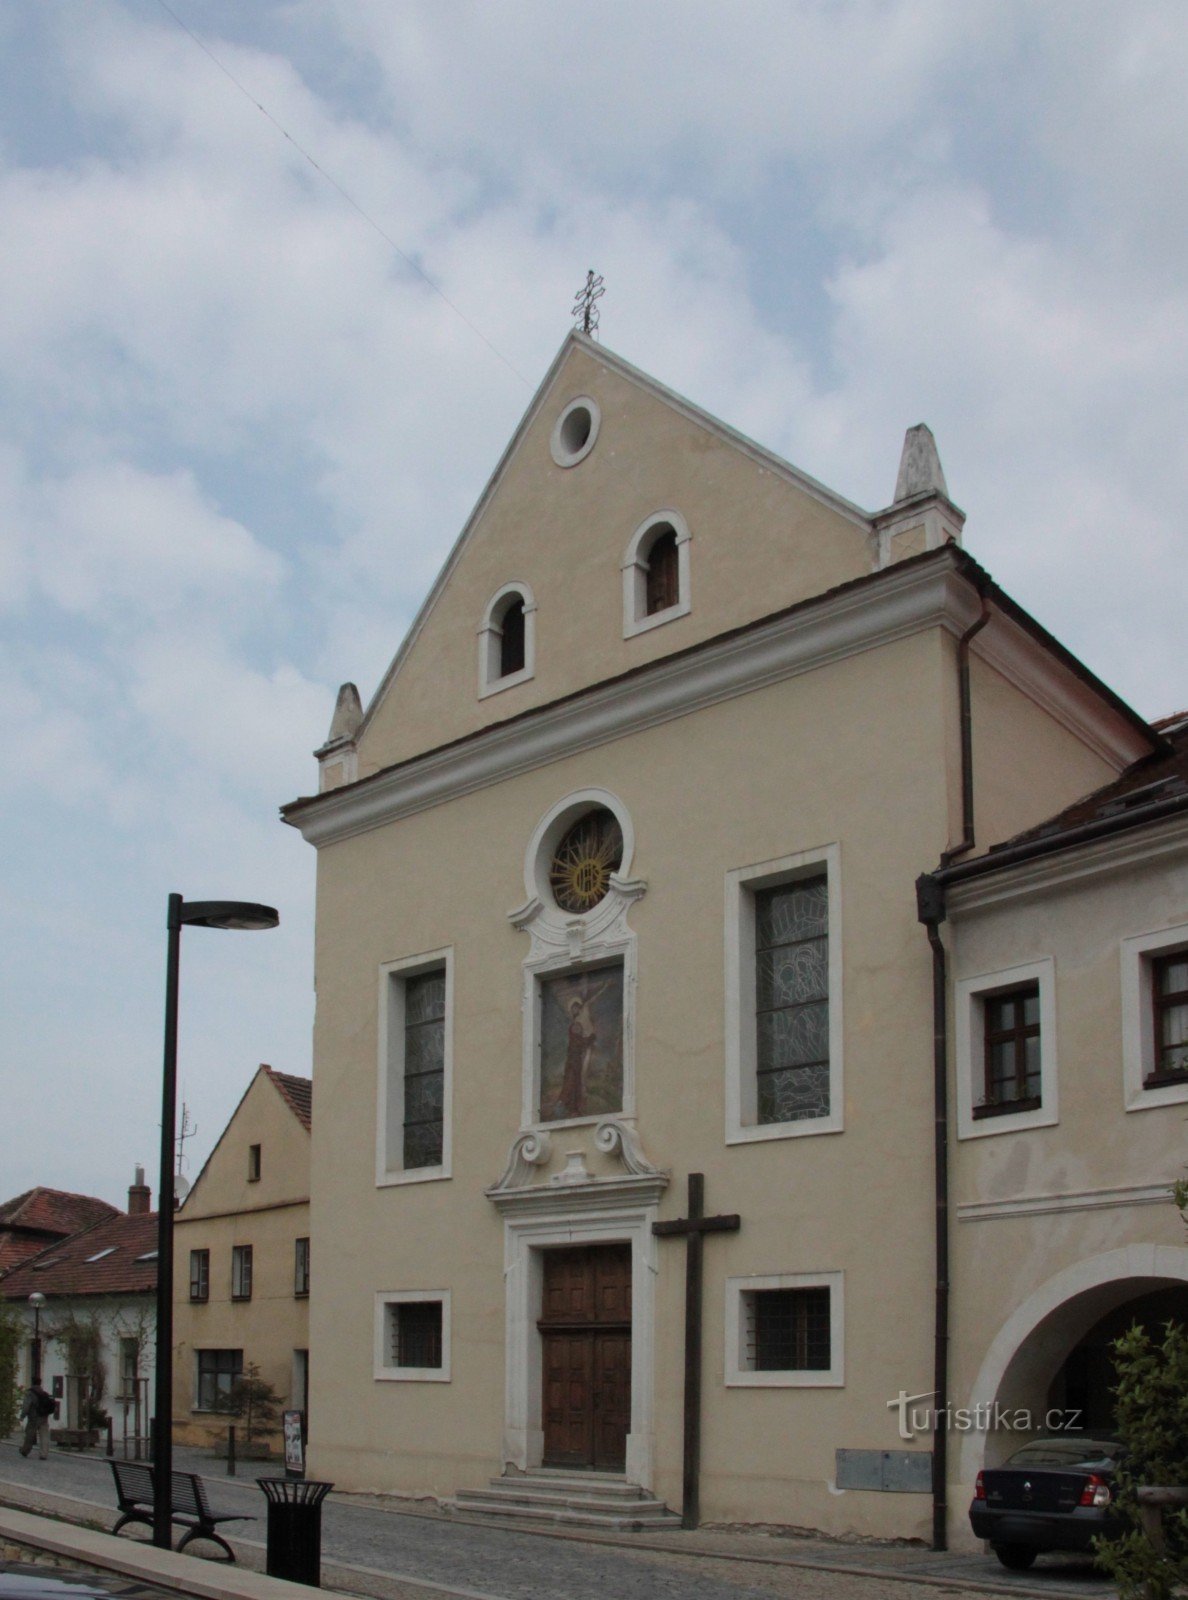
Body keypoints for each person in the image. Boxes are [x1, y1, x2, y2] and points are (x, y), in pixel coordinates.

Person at [19, 1380, 53, 1460]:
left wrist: (22, 1416)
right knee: (44, 1436)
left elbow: (26, 1406)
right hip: (44, 1417)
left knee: (29, 1435)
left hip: (33, 1418)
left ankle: (25, 1450)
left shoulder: (30, 1393)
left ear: (32, 1383)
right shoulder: (43, 1393)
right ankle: (44, 1454)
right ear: (40, 1383)